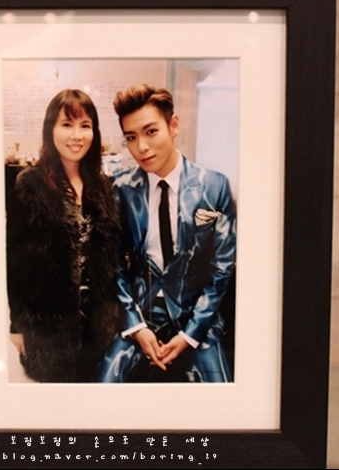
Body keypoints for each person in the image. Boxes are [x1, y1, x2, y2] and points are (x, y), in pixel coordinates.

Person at [97, 84, 236, 383]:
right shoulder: (120, 189)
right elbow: (113, 266)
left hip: (196, 314)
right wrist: (136, 326)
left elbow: (221, 271)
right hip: (140, 311)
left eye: (151, 132)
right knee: (104, 388)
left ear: (173, 125)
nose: (142, 147)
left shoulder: (214, 186)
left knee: (220, 396)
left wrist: (190, 335)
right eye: (131, 137)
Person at [6, 89, 123, 383]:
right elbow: (15, 260)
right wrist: (17, 324)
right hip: (48, 324)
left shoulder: (103, 186)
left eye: (85, 126)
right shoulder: (30, 184)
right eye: (67, 125)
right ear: (51, 129)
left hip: (99, 324)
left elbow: (111, 257)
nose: (76, 136)